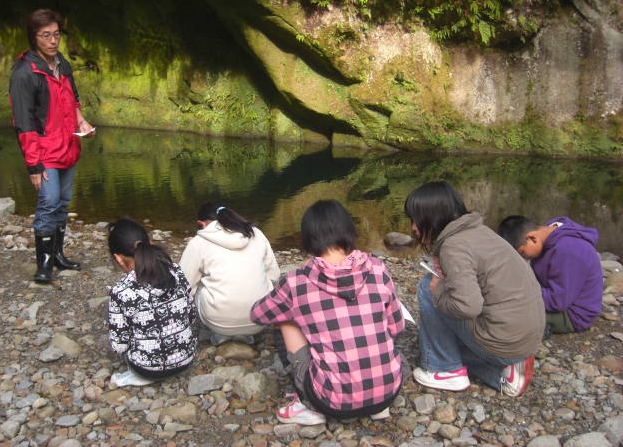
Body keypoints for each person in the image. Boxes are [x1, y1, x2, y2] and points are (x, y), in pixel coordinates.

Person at [251, 200, 410, 425]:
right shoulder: (377, 267)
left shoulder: (297, 280)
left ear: (308, 239)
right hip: (389, 391)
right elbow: (397, 327)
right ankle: (375, 406)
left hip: (330, 400)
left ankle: (303, 401)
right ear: (349, 231)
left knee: (283, 319)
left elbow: (258, 315)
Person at [406, 182, 544, 397]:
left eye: (415, 219)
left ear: (432, 216)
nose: (413, 227)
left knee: (427, 286)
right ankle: (502, 372)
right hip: (525, 336)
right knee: (432, 340)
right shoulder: (481, 232)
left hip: (504, 342)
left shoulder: (454, 245)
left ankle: (445, 370)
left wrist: (440, 289)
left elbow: (467, 307)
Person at [9, 8, 96, 283]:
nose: (52, 40)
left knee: (62, 203)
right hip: (45, 151)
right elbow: (23, 123)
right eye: (45, 35)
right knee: (48, 202)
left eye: (56, 34)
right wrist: (33, 165)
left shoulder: (63, 64)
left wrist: (82, 123)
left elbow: (74, 102)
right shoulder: (25, 73)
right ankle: (44, 265)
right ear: (34, 37)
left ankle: (58, 255)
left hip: (68, 146)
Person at [106, 218, 197, 387]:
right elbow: (191, 317)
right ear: (150, 243)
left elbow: (119, 347)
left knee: (110, 310)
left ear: (118, 259)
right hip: (186, 359)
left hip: (146, 369)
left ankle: (137, 375)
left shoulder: (120, 291)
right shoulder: (175, 270)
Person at [179, 203, 279, 345]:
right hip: (260, 319)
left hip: (219, 323)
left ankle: (220, 334)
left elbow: (184, 284)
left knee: (200, 282)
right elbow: (274, 274)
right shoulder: (255, 233)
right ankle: (245, 334)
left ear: (201, 223)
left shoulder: (198, 242)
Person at [497, 215, 603, 339]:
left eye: (522, 252)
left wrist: (518, 292)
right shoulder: (548, 234)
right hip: (552, 297)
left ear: (532, 238)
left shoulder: (568, 251)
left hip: (571, 314)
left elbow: (557, 301)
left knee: (501, 315)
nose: (523, 258)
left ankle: (538, 328)